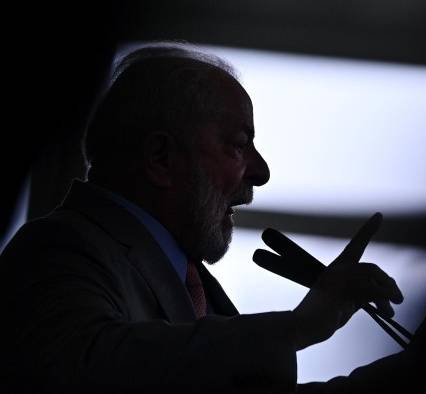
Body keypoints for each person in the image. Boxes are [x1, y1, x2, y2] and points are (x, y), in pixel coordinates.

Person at [0, 43, 403, 394]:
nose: (261, 172)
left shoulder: (194, 286)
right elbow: (84, 368)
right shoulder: (57, 247)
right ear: (161, 158)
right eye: (239, 145)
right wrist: (297, 327)